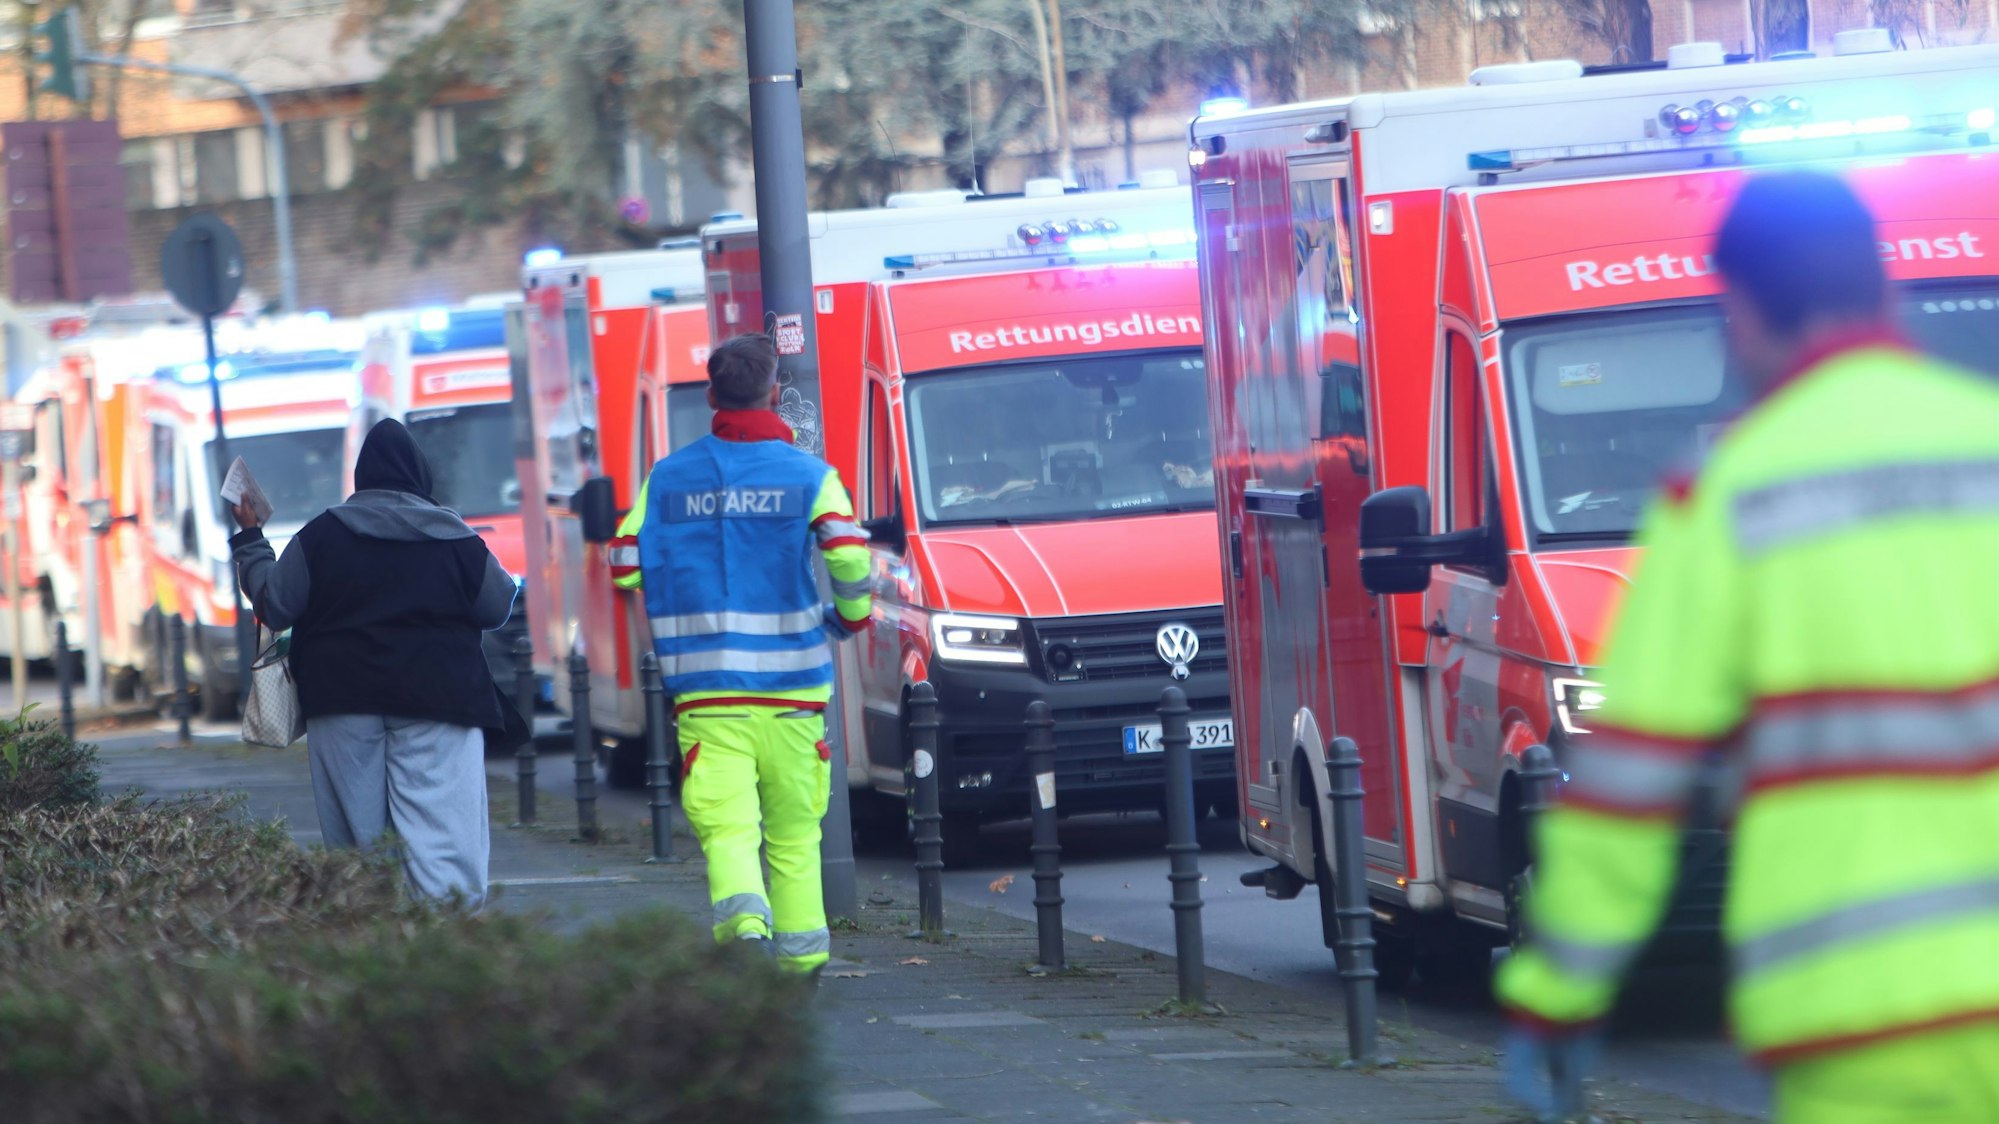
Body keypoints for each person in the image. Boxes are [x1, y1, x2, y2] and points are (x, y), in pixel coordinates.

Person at [1495, 171, 1999, 1121]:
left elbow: (1633, 778)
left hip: (1857, 1013)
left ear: (1744, 313)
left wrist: (1556, 992)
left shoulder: (1726, 498)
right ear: (1884, 290)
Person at [611, 333, 871, 976]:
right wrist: (847, 618)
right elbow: (847, 552)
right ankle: (802, 969)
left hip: (707, 693)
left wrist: (671, 579)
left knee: (728, 831)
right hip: (793, 694)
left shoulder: (667, 477)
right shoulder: (810, 475)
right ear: (775, 395)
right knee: (794, 838)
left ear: (710, 395)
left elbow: (621, 562)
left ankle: (745, 935)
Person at [231, 418, 518, 904]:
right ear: (420, 476)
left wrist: (252, 540)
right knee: (443, 829)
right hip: (442, 701)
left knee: (359, 840)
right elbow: (496, 606)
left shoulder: (321, 536)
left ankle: (372, 925)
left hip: (343, 700)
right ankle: (445, 931)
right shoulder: (457, 539)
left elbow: (275, 606)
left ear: (362, 477)